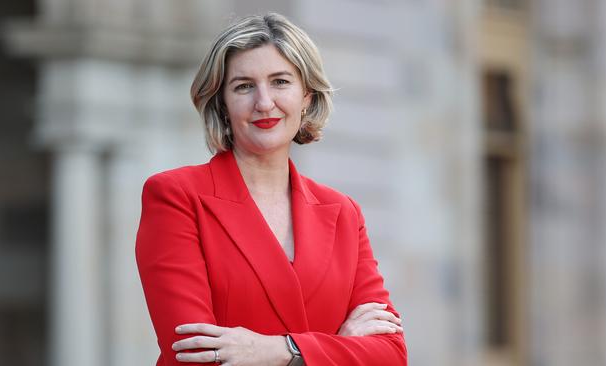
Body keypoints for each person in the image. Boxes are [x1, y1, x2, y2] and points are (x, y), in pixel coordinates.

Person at [135, 13, 407, 366]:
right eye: (244, 86)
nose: (264, 103)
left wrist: (282, 351)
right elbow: (194, 354)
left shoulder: (343, 212)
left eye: (280, 82)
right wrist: (338, 347)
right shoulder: (176, 196)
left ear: (306, 96)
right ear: (222, 103)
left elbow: (390, 354)